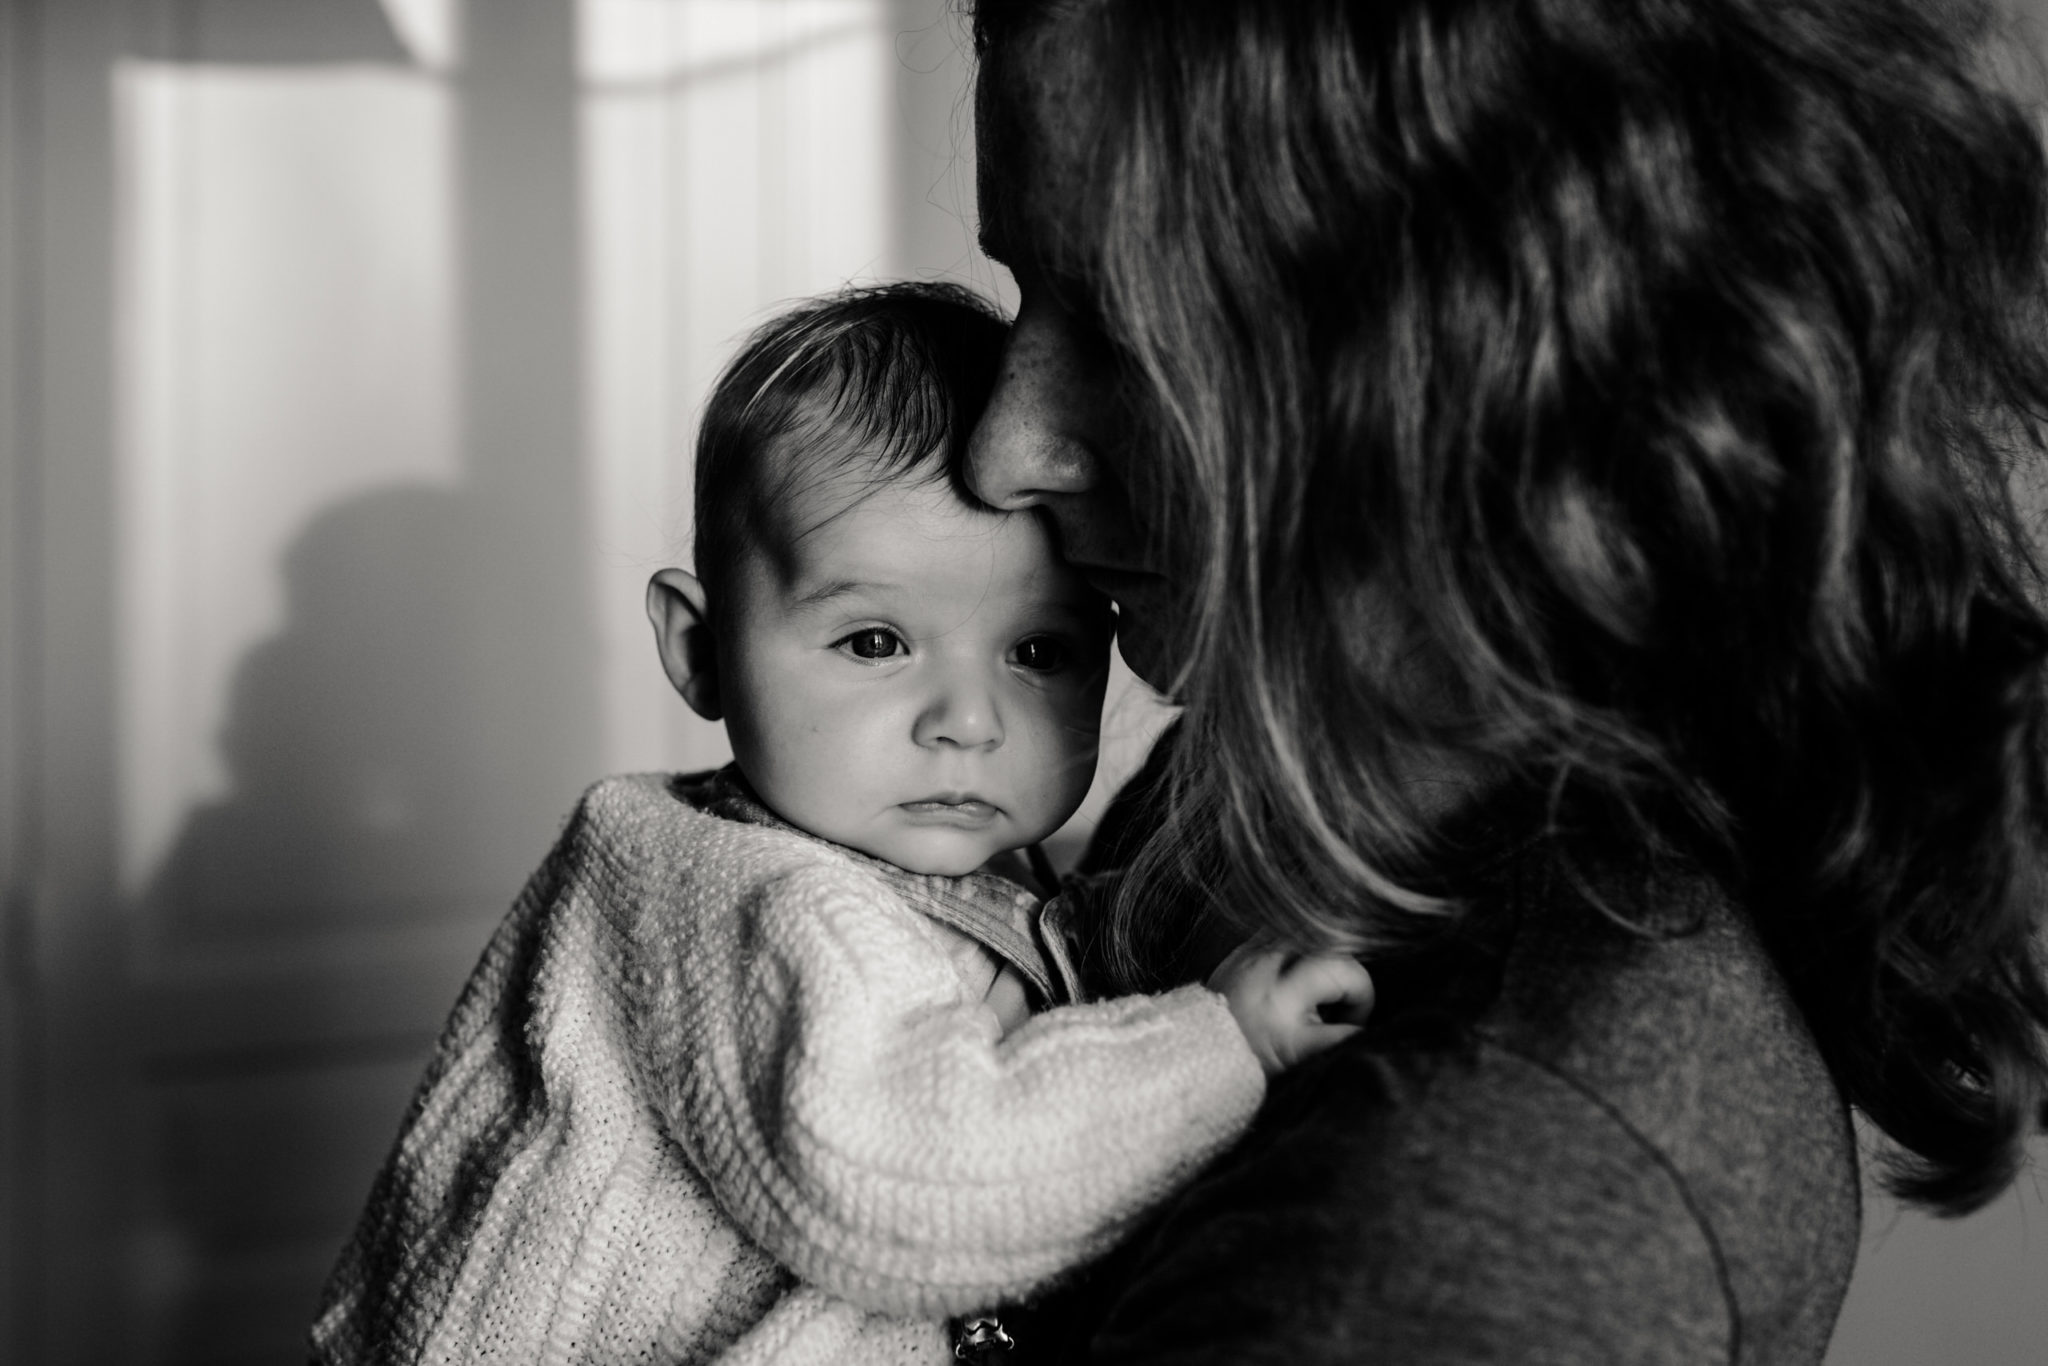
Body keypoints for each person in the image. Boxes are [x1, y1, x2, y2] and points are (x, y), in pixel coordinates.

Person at [962, 0, 2048, 1361]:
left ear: (1496, 360)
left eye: (1123, 326)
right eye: (1025, 297)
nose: (1003, 450)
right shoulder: (1290, 773)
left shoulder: (1462, 1225)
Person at [308, 283, 1372, 1366]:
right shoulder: (746, 901)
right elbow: (909, 1187)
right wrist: (1220, 1043)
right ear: (701, 651)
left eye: (1037, 652)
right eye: (874, 642)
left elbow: (1021, 967)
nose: (967, 721)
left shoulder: (927, 862)